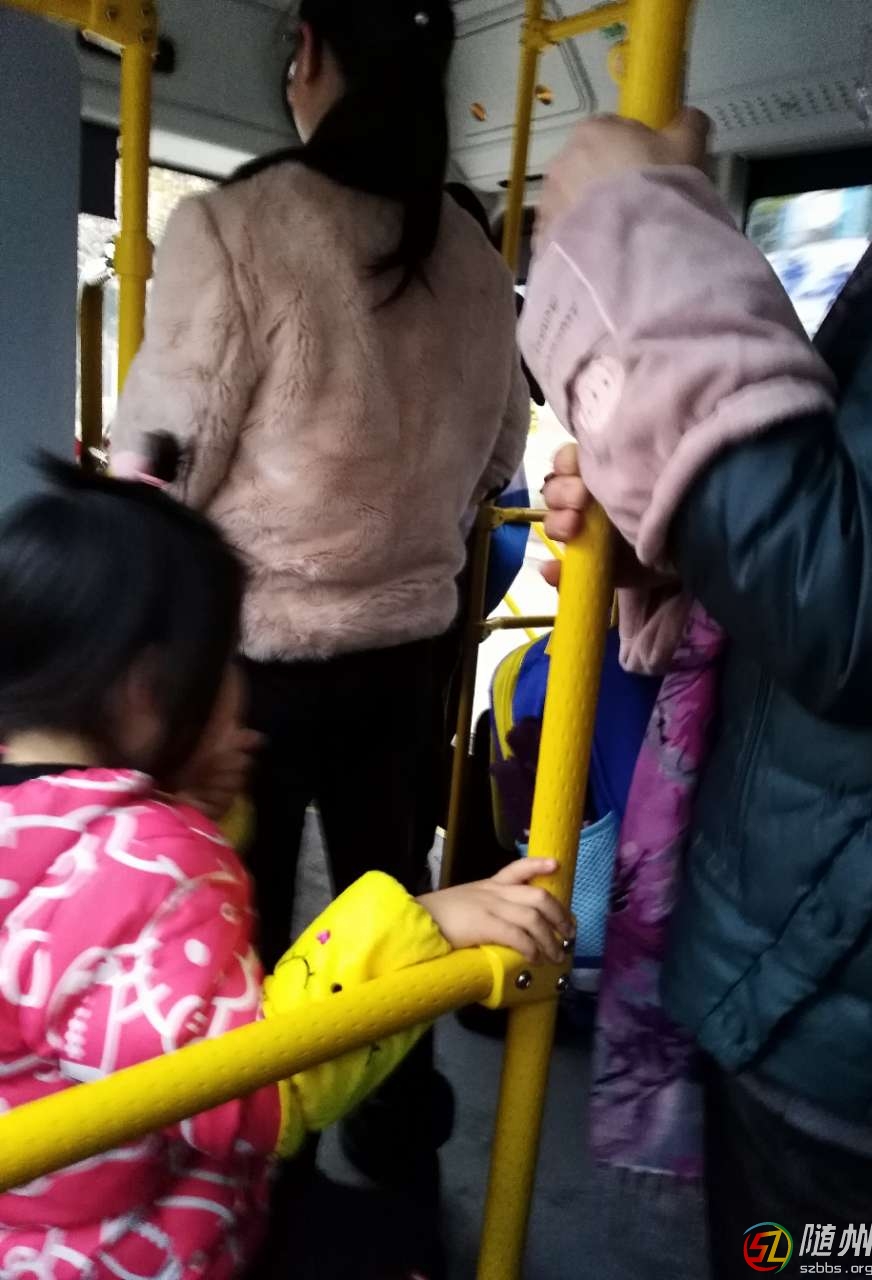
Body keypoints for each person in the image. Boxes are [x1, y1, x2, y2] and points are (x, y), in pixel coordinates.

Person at [524, 64, 872, 1278]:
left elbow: (857, 601)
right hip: (857, 952)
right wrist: (698, 552)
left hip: (868, 1007)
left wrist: (632, 240)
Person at [109, 0, 529, 1203]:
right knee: (397, 917)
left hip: (247, 670)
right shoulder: (472, 255)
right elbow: (499, 457)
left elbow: (162, 465)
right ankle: (400, 1164)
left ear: (306, 50)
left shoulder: (238, 226)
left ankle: (256, 1187)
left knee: (236, 937)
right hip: (407, 662)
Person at [0, 451, 572, 1279]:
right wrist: (419, 929)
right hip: (146, 1247)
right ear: (150, 690)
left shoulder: (39, 827)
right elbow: (249, 1094)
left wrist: (191, 806)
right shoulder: (145, 863)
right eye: (226, 659)